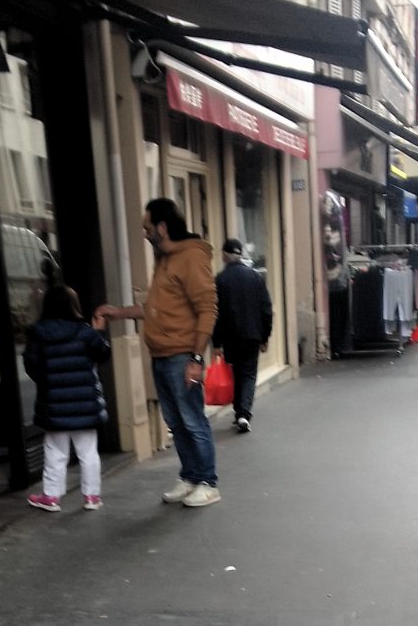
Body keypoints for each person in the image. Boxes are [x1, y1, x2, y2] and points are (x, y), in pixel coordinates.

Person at [95, 198, 221, 508]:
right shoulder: (164, 260)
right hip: (161, 356)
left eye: (147, 227)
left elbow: (207, 309)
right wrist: (117, 312)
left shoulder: (190, 257)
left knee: (192, 421)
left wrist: (196, 359)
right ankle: (190, 477)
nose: (144, 232)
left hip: (182, 356)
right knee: (176, 422)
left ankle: (208, 482)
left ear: (162, 228)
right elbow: (154, 308)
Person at [24, 285, 111, 512]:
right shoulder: (85, 332)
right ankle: (91, 496)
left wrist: (49, 382)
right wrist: (99, 331)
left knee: (55, 452)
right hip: (85, 404)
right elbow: (103, 354)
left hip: (53, 404)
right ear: (74, 306)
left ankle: (51, 497)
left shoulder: (38, 333)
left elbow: (31, 365)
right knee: (88, 452)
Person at [212, 238, 273, 433]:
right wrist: (265, 336)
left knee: (237, 372)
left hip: (230, 336)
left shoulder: (220, 280)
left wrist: (216, 343)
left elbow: (215, 313)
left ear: (225, 255)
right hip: (253, 335)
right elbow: (266, 309)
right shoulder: (255, 276)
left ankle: (239, 411)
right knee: (248, 374)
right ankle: (243, 413)